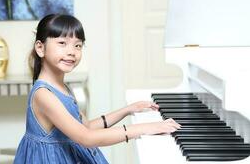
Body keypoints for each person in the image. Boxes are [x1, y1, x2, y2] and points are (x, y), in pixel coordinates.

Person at [13, 14, 181, 164]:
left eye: (78, 45)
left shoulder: (62, 88)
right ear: (40, 48)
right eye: (62, 43)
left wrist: (128, 110)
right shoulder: (43, 94)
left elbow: (87, 126)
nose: (71, 51)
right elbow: (86, 138)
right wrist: (145, 128)